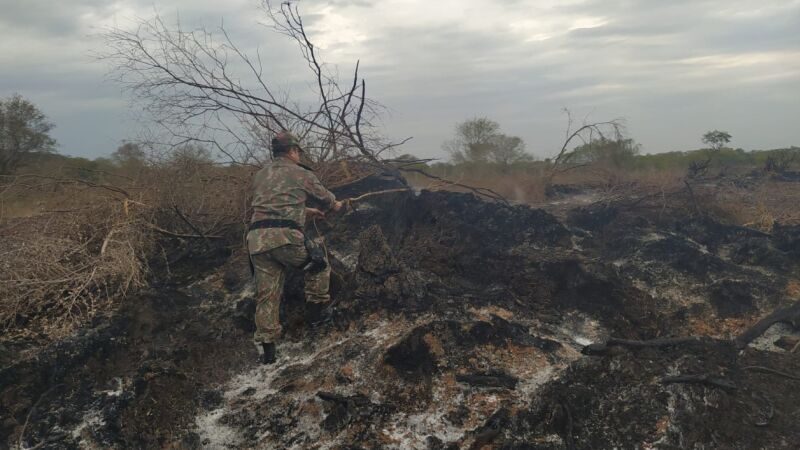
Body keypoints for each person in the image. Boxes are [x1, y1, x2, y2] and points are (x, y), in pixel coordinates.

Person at [246, 131, 343, 364]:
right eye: (298, 152)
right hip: (284, 238)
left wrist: (305, 211)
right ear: (293, 151)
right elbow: (326, 198)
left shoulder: (261, 174)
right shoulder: (300, 172)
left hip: (256, 240)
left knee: (267, 294)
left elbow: (274, 203)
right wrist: (336, 204)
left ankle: (268, 351)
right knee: (319, 263)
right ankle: (317, 314)